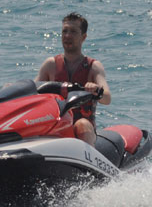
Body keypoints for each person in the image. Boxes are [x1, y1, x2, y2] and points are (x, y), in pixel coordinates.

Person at [35, 13, 110, 146]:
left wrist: (96, 90)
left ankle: (87, 164)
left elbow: (107, 98)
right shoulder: (50, 65)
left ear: (83, 37)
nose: (68, 36)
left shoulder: (93, 66)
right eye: (65, 31)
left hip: (83, 127)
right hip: (55, 124)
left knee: (82, 125)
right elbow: (33, 92)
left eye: (73, 32)